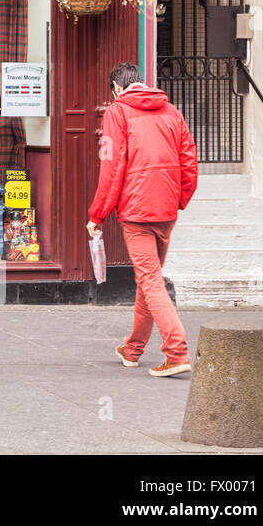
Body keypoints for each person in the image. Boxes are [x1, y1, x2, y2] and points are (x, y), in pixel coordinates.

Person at [87, 62, 199, 378]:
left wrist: (97, 214)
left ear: (116, 88)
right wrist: (180, 198)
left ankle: (176, 351)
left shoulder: (117, 113)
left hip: (137, 208)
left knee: (149, 279)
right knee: (147, 279)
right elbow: (189, 160)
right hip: (165, 207)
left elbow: (111, 167)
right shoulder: (172, 111)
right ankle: (133, 348)